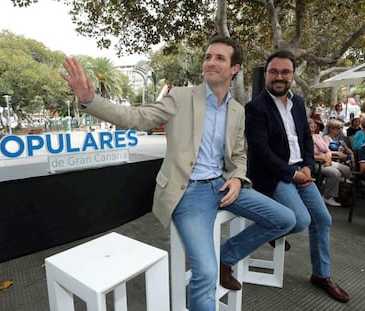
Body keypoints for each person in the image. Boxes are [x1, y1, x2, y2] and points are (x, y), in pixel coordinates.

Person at [61, 36, 296, 311]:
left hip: (222, 185)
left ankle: (226, 257)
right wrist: (91, 101)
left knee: (285, 218)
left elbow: (239, 155)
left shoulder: (237, 110)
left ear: (235, 68)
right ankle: (214, 268)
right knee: (205, 275)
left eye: (220, 58)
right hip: (190, 191)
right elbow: (136, 117)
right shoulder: (182, 97)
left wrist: (236, 177)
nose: (210, 62)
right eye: (208, 56)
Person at [245, 50, 350, 303]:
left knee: (323, 219)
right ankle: (274, 227)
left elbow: (305, 137)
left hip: (301, 171)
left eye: (285, 72)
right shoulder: (255, 107)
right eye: (274, 72)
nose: (279, 77)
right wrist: (293, 174)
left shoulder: (299, 103)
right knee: (300, 221)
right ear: (267, 74)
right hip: (274, 175)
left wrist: (308, 168)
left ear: (292, 75)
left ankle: (321, 274)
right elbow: (260, 151)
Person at [309, 118, 346, 207]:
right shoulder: (303, 138)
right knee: (335, 172)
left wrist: (328, 160)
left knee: (345, 169)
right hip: (313, 163)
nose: (312, 128)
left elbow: (327, 150)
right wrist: (322, 158)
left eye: (313, 126)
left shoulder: (318, 136)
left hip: (324, 161)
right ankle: (327, 197)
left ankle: (341, 190)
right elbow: (305, 154)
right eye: (310, 126)